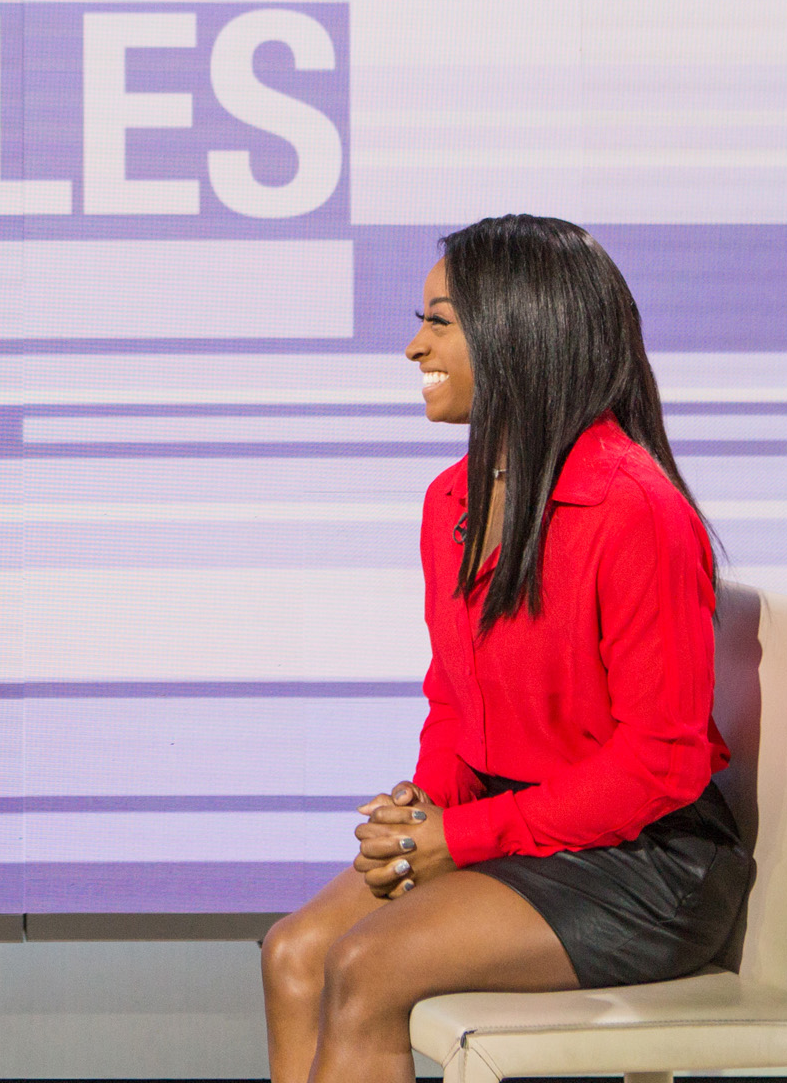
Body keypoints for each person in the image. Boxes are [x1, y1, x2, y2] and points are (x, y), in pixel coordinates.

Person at [258, 213, 750, 1083]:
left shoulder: (634, 509)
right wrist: (421, 817)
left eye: (439, 322)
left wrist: (465, 835)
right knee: (296, 953)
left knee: (366, 969)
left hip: (644, 863)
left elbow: (661, 763)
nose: (414, 348)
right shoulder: (451, 499)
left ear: (518, 330)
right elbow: (455, 701)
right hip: (518, 833)